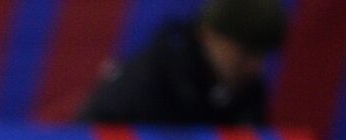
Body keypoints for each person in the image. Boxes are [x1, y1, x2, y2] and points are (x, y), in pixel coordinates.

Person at [77, 0, 288, 126]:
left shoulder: (248, 95)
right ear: (208, 36)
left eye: (262, 55)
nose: (255, 67)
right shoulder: (149, 78)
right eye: (244, 53)